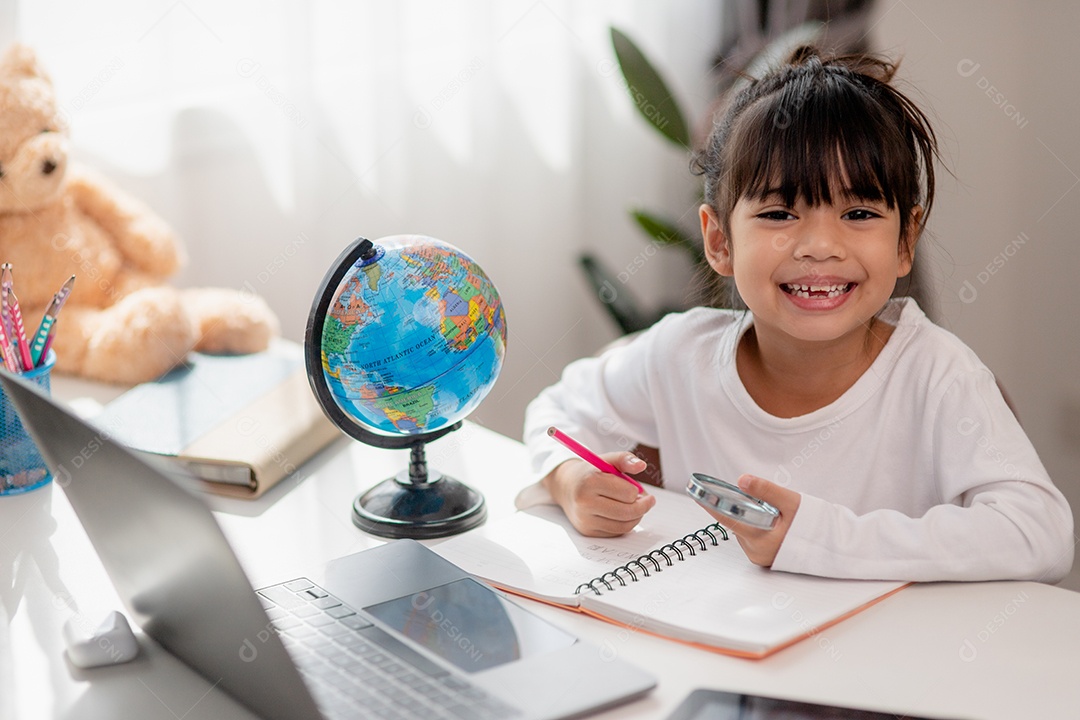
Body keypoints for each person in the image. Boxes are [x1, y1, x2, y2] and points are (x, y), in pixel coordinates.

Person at [520, 47, 1074, 583]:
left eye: (858, 212)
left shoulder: (937, 375)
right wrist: (570, 479)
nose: (819, 246)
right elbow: (558, 412)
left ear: (906, 239)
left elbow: (1041, 534)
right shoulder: (680, 354)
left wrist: (819, 537)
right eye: (780, 212)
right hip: (724, 650)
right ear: (719, 240)